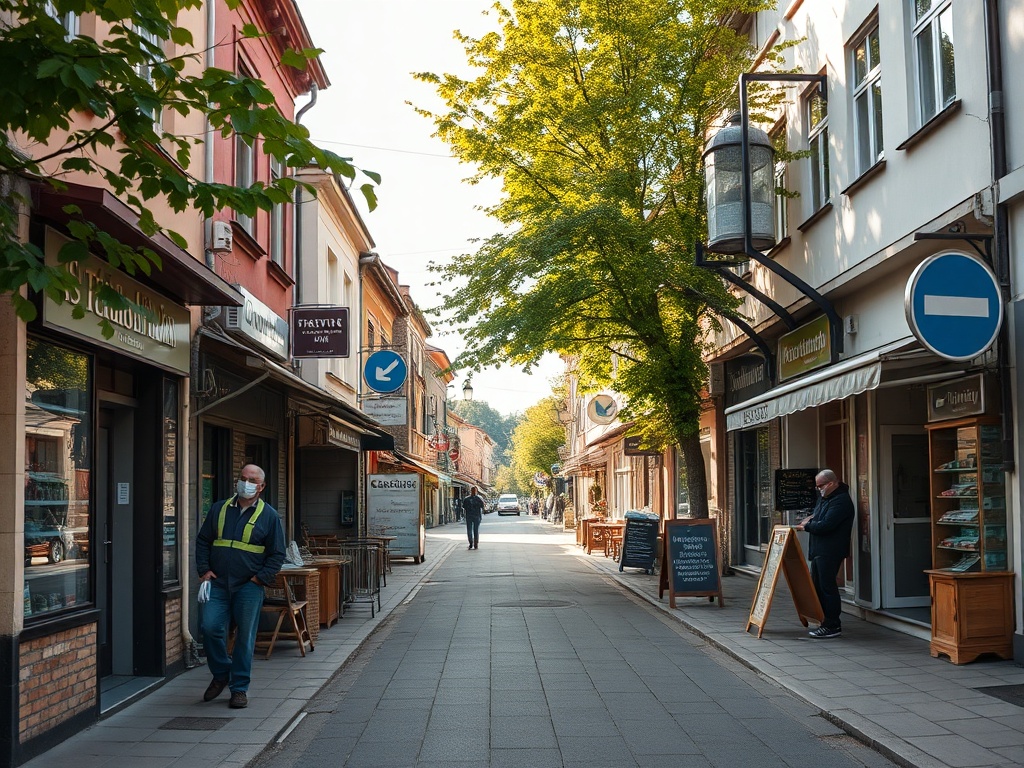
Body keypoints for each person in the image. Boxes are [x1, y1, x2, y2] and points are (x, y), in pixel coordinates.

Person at [196, 464, 286, 708]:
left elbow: (277, 553)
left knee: (245, 638)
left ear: (261, 486)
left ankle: (239, 689)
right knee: (210, 627)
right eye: (243, 478)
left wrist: (259, 579)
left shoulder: (269, 516)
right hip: (217, 584)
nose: (245, 483)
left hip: (248, 586)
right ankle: (221, 673)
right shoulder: (219, 509)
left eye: (252, 480)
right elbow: (203, 541)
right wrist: (204, 570)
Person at [797, 469, 855, 639]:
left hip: (830, 550)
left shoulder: (841, 501)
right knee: (819, 586)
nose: (818, 489)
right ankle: (824, 621)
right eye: (817, 486)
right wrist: (811, 519)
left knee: (827, 587)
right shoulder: (825, 498)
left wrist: (806, 526)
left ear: (831, 483)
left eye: (821, 486)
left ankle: (832, 624)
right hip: (819, 550)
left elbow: (826, 525)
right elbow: (818, 517)